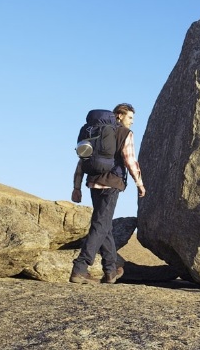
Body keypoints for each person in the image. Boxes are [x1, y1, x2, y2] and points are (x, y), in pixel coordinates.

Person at [69, 103, 146, 284]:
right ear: (119, 116)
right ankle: (80, 268)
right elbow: (130, 159)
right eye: (130, 118)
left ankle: (110, 270)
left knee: (104, 225)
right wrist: (139, 182)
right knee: (101, 225)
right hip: (112, 183)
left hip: (94, 182)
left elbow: (82, 160)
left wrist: (77, 186)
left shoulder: (95, 131)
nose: (132, 122)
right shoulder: (124, 134)